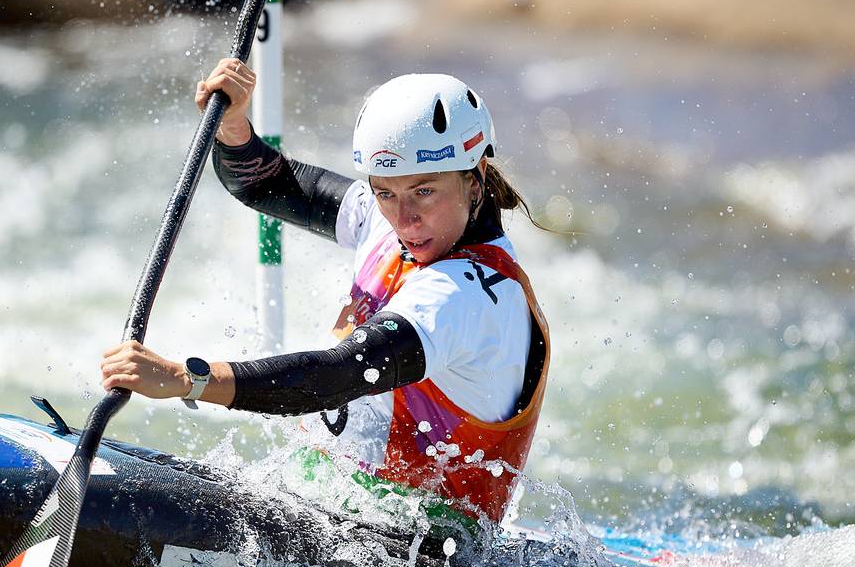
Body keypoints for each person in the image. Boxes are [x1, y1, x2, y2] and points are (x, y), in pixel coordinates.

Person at [100, 59, 550, 526]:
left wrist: (185, 378)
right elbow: (267, 183)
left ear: (474, 181)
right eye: (385, 192)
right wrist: (232, 126)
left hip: (421, 549)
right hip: (332, 503)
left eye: (424, 192)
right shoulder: (396, 222)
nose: (403, 219)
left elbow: (336, 376)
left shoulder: (469, 296)